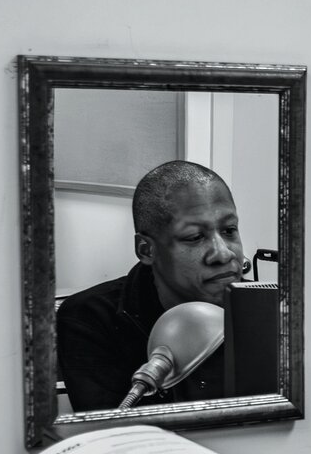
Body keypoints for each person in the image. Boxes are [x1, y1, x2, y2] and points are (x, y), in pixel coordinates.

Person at [56, 160, 248, 410]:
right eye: (195, 237)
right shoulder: (89, 318)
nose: (223, 254)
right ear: (146, 250)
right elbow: (114, 433)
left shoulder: (266, 310)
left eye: (229, 230)